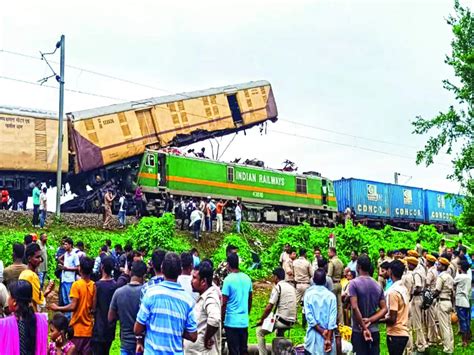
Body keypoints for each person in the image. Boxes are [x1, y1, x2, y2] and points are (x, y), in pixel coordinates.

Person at [134, 252, 197, 354]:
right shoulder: (187, 300)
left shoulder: (151, 294)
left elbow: (137, 329)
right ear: (180, 271)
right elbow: (193, 336)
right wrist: (177, 329)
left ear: (162, 269)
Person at [49, 256, 96, 355]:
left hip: (77, 329)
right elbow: (93, 308)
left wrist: (57, 308)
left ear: (80, 269)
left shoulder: (77, 285)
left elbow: (73, 306)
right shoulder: (93, 285)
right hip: (89, 330)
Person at [349, 255, 387, 355]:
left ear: (358, 267)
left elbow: (354, 306)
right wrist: (370, 320)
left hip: (359, 330)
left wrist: (364, 327)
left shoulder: (353, 283)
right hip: (374, 330)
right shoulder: (377, 285)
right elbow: (384, 309)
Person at [109, 260, 147, 355]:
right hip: (143, 344)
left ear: (130, 273)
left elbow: (110, 318)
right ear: (144, 276)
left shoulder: (119, 292)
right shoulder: (146, 293)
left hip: (125, 342)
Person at [0, 280, 48, 354]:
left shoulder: (4, 324)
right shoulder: (42, 320)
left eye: (9, 296)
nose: (8, 299)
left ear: (14, 302)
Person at [256, 267, 296, 355]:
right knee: (279, 333)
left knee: (259, 331)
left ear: (276, 277)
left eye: (273, 276)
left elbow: (269, 306)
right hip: (291, 321)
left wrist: (262, 320)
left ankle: (263, 354)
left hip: (282, 321)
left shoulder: (278, 287)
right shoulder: (291, 287)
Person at [184, 261, 222, 355]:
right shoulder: (203, 296)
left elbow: (214, 319)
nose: (191, 281)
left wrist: (207, 338)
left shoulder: (210, 297)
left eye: (194, 278)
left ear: (203, 281)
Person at [221, 252, 253, 355]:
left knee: (233, 351)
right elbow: (250, 299)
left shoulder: (228, 280)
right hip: (243, 321)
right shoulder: (247, 278)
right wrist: (246, 313)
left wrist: (221, 320)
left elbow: (224, 303)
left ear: (228, 265)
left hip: (231, 321)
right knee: (243, 350)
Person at [379, 260, 409, 355]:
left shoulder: (393, 292)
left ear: (390, 271)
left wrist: (375, 320)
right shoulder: (403, 288)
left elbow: (392, 319)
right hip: (403, 331)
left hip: (395, 333)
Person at [304, 268, 337, 354]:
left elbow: (309, 317)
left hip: (313, 340)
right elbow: (332, 320)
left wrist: (322, 331)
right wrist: (328, 339)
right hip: (328, 340)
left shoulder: (308, 295)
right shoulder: (331, 296)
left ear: (313, 280)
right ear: (325, 281)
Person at [92, 256, 117, 355]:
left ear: (102, 267)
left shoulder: (97, 285)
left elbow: (93, 307)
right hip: (110, 327)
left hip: (99, 326)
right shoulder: (115, 285)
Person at [19, 243, 54, 311]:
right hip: (31, 313)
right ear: (29, 259)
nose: (40, 260)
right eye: (37, 257)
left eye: (40, 257)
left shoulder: (23, 273)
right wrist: (47, 291)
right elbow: (41, 302)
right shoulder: (32, 276)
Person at [405, 255, 427, 353]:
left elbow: (418, 288)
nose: (407, 266)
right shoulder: (418, 271)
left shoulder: (416, 274)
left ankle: (421, 344)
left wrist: (411, 293)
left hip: (417, 299)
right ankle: (420, 342)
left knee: (417, 323)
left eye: (408, 264)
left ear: (411, 264)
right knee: (418, 322)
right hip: (418, 298)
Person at [432, 257, 454, 354]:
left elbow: (437, 291)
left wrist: (430, 296)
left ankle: (447, 348)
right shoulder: (449, 277)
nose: (437, 266)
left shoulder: (441, 277)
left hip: (442, 302)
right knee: (449, 326)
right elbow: (452, 292)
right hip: (448, 302)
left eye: (439, 264)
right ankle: (451, 346)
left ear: (443, 266)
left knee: (444, 326)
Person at [60, 238, 80, 319]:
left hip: (70, 280)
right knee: (65, 299)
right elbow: (60, 259)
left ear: (70, 245)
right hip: (64, 279)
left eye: (66, 244)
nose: (64, 246)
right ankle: (67, 317)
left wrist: (67, 268)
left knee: (69, 299)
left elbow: (78, 268)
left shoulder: (74, 255)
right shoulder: (65, 254)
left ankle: (70, 318)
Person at [293, 248, 312, 327]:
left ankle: (294, 319)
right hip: (306, 284)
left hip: (298, 284)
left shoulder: (295, 262)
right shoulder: (307, 263)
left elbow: (293, 272)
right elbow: (312, 273)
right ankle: (306, 321)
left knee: (295, 302)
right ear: (304, 254)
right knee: (306, 303)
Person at [454, 259, 471, 347]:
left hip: (460, 301)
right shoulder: (468, 277)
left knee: (462, 321)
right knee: (467, 320)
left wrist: (458, 270)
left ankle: (464, 341)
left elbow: (453, 283)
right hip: (466, 301)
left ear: (461, 267)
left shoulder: (459, 277)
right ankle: (468, 338)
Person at [424, 254, 440, 344]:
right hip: (433, 296)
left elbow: (427, 283)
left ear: (429, 262)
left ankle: (433, 338)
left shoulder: (430, 272)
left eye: (426, 261)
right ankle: (434, 336)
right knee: (432, 317)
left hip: (430, 296)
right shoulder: (435, 270)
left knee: (430, 319)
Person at [327, 247, 344, 325]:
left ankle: (333, 322)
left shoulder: (331, 262)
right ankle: (341, 322)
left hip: (333, 284)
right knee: (339, 305)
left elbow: (329, 275)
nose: (328, 254)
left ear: (333, 253)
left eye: (329, 252)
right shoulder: (340, 262)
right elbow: (343, 274)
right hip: (339, 283)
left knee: (332, 304)